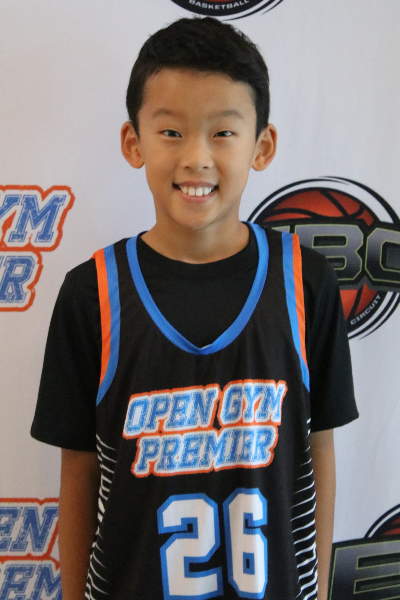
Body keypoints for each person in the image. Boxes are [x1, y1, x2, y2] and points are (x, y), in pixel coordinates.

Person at [31, 16, 358, 600]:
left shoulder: (306, 283)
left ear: (262, 146)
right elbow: (78, 469)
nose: (197, 158)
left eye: (223, 132)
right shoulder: (92, 294)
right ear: (134, 142)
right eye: (172, 132)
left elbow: (320, 448)